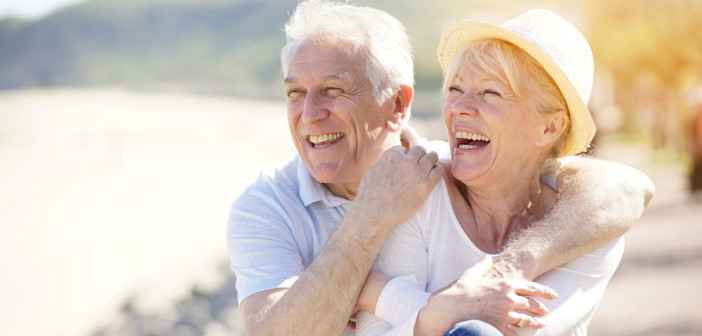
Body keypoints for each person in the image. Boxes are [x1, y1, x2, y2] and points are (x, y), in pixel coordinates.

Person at [227, 1, 655, 336]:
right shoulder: (266, 206)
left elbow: (625, 186)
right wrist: (370, 220)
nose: (309, 114)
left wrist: (382, 292)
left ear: (398, 105)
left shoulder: (437, 183)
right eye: (294, 93)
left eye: (333, 90)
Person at [354, 9, 651, 336]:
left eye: (490, 93)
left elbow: (517, 329)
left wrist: (396, 301)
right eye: (455, 89)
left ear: (550, 127)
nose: (459, 107)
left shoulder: (589, 229)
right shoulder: (421, 190)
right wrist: (436, 310)